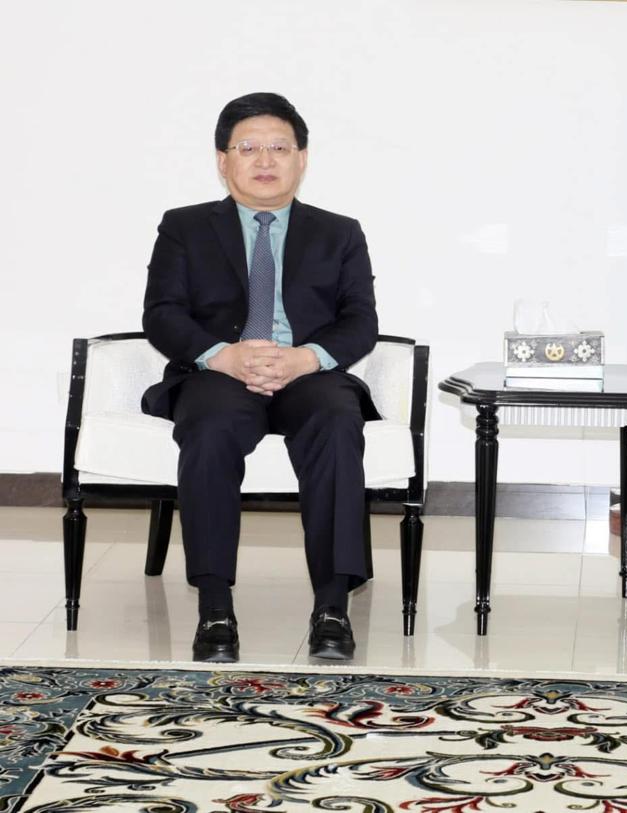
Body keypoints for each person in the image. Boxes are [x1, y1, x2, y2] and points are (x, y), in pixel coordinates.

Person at [141, 92, 379, 663]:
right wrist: (220, 355)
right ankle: (215, 607)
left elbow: (361, 321)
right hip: (219, 371)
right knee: (210, 426)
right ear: (223, 160)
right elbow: (162, 313)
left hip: (306, 372)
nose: (265, 160)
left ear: (302, 159)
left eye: (279, 148)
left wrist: (306, 358)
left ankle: (332, 607)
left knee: (336, 420)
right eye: (248, 148)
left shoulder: (340, 232)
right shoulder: (184, 227)